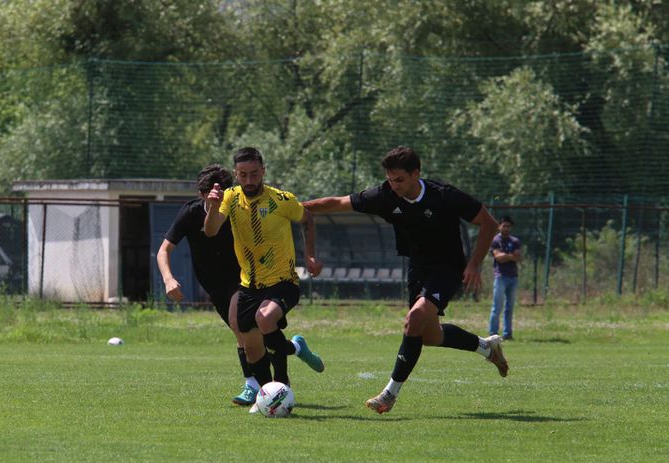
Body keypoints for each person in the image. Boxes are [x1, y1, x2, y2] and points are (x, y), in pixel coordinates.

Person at [303, 146, 508, 414]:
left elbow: (488, 223)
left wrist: (474, 265)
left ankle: (389, 394)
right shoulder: (385, 196)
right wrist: (297, 207)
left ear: (416, 174)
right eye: (389, 179)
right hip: (418, 269)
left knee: (415, 318)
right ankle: (486, 347)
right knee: (430, 336)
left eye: (399, 179)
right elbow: (340, 202)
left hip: (448, 268)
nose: (394, 185)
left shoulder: (443, 195)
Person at [158, 164, 292, 407]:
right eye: (208, 195)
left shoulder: (241, 208)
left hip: (245, 279)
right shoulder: (190, 213)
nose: (215, 200)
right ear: (201, 195)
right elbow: (164, 250)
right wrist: (168, 278)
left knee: (240, 326)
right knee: (252, 335)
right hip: (213, 285)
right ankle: (292, 351)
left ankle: (257, 385)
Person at [204, 147, 325, 413]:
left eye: (254, 174)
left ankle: (286, 370)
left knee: (265, 318)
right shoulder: (230, 198)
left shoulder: (282, 200)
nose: (249, 181)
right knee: (251, 349)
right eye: (243, 175)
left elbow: (308, 219)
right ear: (236, 174)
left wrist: (311, 257)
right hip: (249, 285)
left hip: (283, 281)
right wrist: (212, 207)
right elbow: (211, 231)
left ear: (263, 172)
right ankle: (271, 391)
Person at [489, 216, 521, 340]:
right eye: (504, 226)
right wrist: (510, 256)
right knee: (497, 306)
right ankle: (493, 333)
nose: (506, 228)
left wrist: (505, 256)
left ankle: (508, 334)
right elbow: (498, 258)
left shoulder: (515, 241)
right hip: (500, 277)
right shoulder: (495, 240)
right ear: (499, 226)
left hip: (513, 277)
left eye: (508, 226)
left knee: (510, 307)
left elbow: (518, 258)